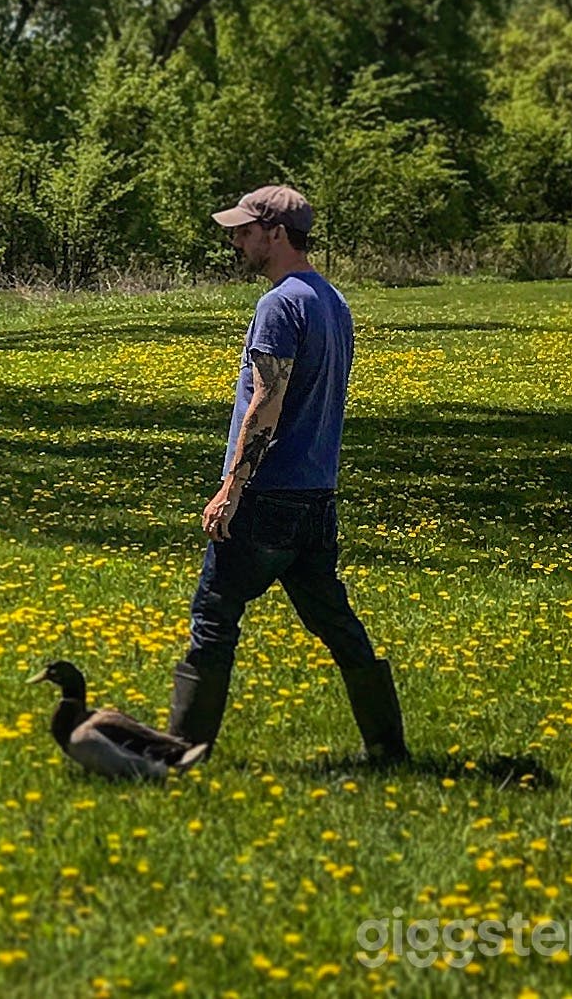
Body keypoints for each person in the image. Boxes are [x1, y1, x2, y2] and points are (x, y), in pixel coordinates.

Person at [166, 183, 408, 763]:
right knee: (336, 621)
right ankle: (387, 748)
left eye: (246, 230)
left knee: (214, 616)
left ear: (276, 234)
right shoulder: (331, 300)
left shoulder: (279, 304)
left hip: (267, 498)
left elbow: (266, 402)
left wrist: (231, 487)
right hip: (316, 498)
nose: (236, 240)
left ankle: (182, 751)